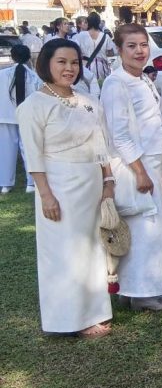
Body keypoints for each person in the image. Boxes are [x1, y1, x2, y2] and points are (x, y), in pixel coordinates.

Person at [17, 39, 115, 335]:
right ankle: (69, 319)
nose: (69, 68)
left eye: (74, 62)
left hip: (91, 183)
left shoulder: (88, 101)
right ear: (46, 63)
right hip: (59, 186)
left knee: (91, 248)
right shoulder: (34, 105)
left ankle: (95, 310)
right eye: (61, 62)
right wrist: (46, 195)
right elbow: (33, 155)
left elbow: (101, 145)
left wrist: (108, 181)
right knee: (64, 251)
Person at [100, 24, 162, 312]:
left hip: (153, 162)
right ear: (119, 50)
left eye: (143, 45)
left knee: (151, 228)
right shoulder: (116, 83)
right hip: (136, 165)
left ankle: (138, 289)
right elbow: (119, 134)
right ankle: (143, 293)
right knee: (144, 229)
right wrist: (140, 171)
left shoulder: (143, 78)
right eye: (131, 46)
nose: (139, 51)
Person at [0, 44, 39, 194]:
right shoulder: (35, 77)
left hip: (5, 116)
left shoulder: (2, 75)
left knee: (6, 150)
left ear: (12, 57)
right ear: (29, 57)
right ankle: (31, 183)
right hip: (27, 117)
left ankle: (6, 184)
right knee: (29, 149)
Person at [73, 12, 114, 84]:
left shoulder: (79, 36)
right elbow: (111, 53)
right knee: (101, 86)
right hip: (102, 68)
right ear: (99, 22)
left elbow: (75, 51)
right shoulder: (105, 36)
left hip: (85, 67)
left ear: (88, 22)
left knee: (86, 87)